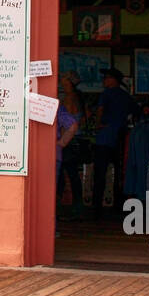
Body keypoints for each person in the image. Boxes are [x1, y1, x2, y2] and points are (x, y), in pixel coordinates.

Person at [93, 68, 137, 215]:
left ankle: (96, 207)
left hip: (104, 137)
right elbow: (135, 112)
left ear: (113, 80)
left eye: (106, 78)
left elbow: (100, 110)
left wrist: (97, 124)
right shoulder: (126, 96)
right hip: (120, 137)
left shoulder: (106, 94)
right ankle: (119, 205)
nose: (104, 80)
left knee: (100, 173)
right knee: (120, 173)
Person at [56, 71, 85, 220]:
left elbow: (65, 124)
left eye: (64, 80)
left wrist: (61, 141)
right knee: (73, 175)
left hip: (68, 141)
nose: (61, 82)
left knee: (62, 175)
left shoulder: (68, 99)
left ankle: (60, 208)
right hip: (77, 138)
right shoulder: (78, 98)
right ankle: (77, 206)